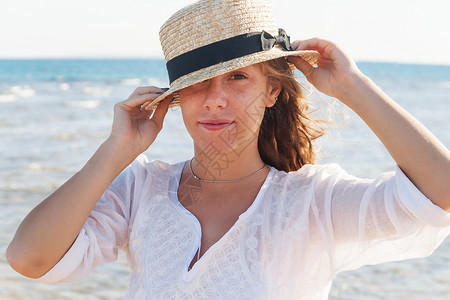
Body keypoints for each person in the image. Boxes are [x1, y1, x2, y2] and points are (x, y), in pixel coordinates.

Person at [6, 0, 450, 299]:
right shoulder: (140, 188)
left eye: (237, 78)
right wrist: (114, 152)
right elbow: (30, 259)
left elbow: (442, 191)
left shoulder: (314, 201)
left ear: (273, 91)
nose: (215, 98)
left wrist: (353, 87)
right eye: (197, 83)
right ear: (177, 96)